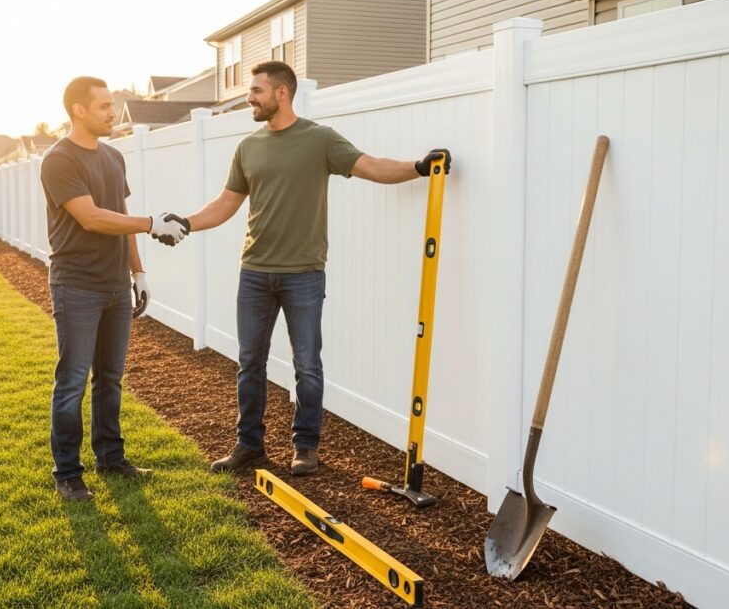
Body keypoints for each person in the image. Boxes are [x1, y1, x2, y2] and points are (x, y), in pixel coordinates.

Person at [163, 61, 449, 476]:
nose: (249, 99)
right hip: (255, 272)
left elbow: (370, 166)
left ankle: (306, 447)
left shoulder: (320, 140)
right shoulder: (248, 147)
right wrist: (186, 222)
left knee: (307, 365)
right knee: (250, 364)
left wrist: (418, 167)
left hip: (304, 274)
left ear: (282, 92)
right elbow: (226, 204)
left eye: (256, 91)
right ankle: (249, 446)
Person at [40, 76, 190, 501]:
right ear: (78, 110)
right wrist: (151, 222)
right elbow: (92, 218)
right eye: (104, 105)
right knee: (72, 380)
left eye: (111, 104)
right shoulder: (58, 160)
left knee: (110, 377)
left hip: (114, 286)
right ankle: (67, 473)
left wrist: (138, 273)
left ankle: (110, 457)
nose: (112, 112)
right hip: (77, 286)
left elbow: (119, 214)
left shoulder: (112, 157)